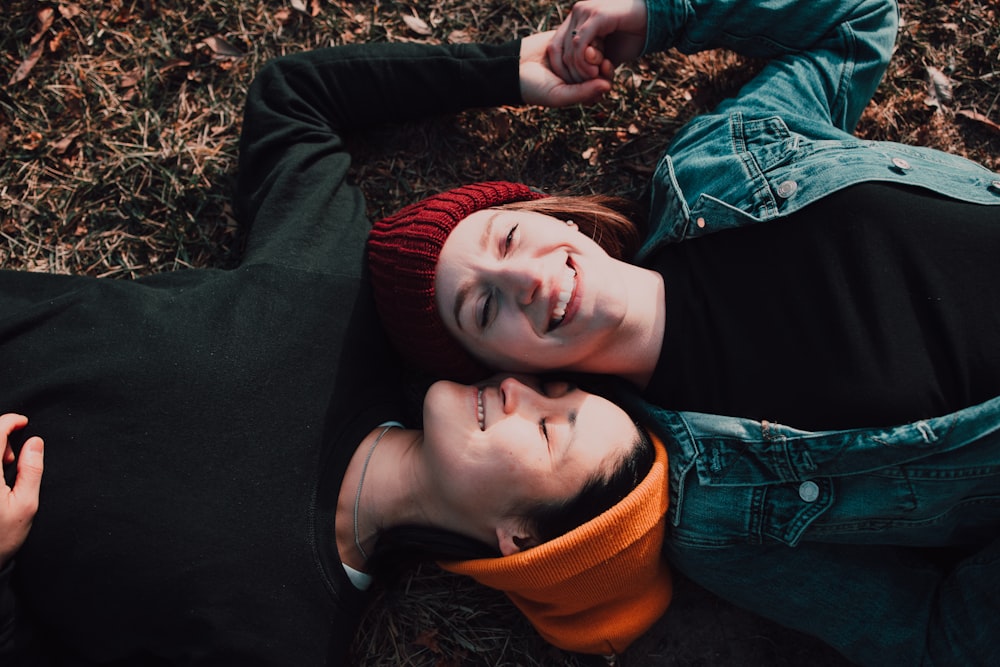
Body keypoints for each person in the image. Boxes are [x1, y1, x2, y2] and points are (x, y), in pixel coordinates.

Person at [0, 34, 675, 664]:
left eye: (550, 430)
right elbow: (294, 98)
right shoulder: (339, 307)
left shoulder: (282, 634)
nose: (519, 390)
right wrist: (508, 67)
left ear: (521, 540)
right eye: (556, 389)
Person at [366, 0, 1000, 664]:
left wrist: (661, 16)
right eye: (483, 308)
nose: (521, 278)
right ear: (503, 370)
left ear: (562, 219)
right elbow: (931, 637)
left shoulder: (717, 159)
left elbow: (856, 22)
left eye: (510, 235)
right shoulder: (716, 514)